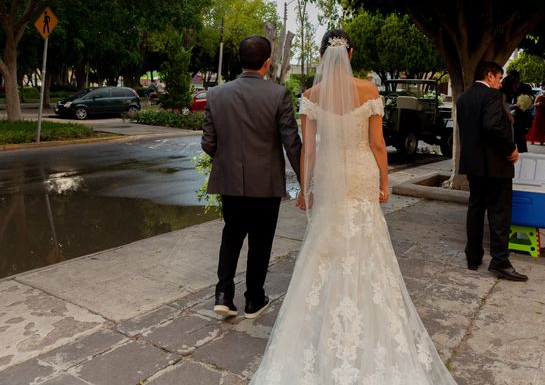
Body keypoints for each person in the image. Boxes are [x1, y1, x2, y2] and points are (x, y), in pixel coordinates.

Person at [250, 30, 457, 384]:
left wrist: (305, 189)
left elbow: (309, 150)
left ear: (322, 56)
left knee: (327, 244)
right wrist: (384, 182)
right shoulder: (369, 90)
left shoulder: (311, 95)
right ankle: (366, 314)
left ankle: (326, 319)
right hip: (361, 173)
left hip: (330, 174)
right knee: (366, 243)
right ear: (351, 53)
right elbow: (377, 144)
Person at [201, 35, 302, 319]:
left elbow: (208, 144)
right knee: (261, 240)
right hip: (266, 183)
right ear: (267, 62)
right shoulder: (278, 94)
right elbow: (291, 143)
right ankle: (254, 299)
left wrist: (228, 159)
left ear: (239, 60)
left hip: (230, 181)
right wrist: (306, 180)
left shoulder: (216, 95)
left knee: (231, 234)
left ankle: (223, 294)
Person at [456, 61, 528, 282]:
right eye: (498, 77)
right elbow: (492, 126)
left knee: (475, 209)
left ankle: (473, 256)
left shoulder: (464, 97)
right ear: (489, 76)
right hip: (495, 165)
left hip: (473, 164)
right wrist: (511, 148)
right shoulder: (491, 96)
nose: (500, 83)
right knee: (499, 213)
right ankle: (500, 262)